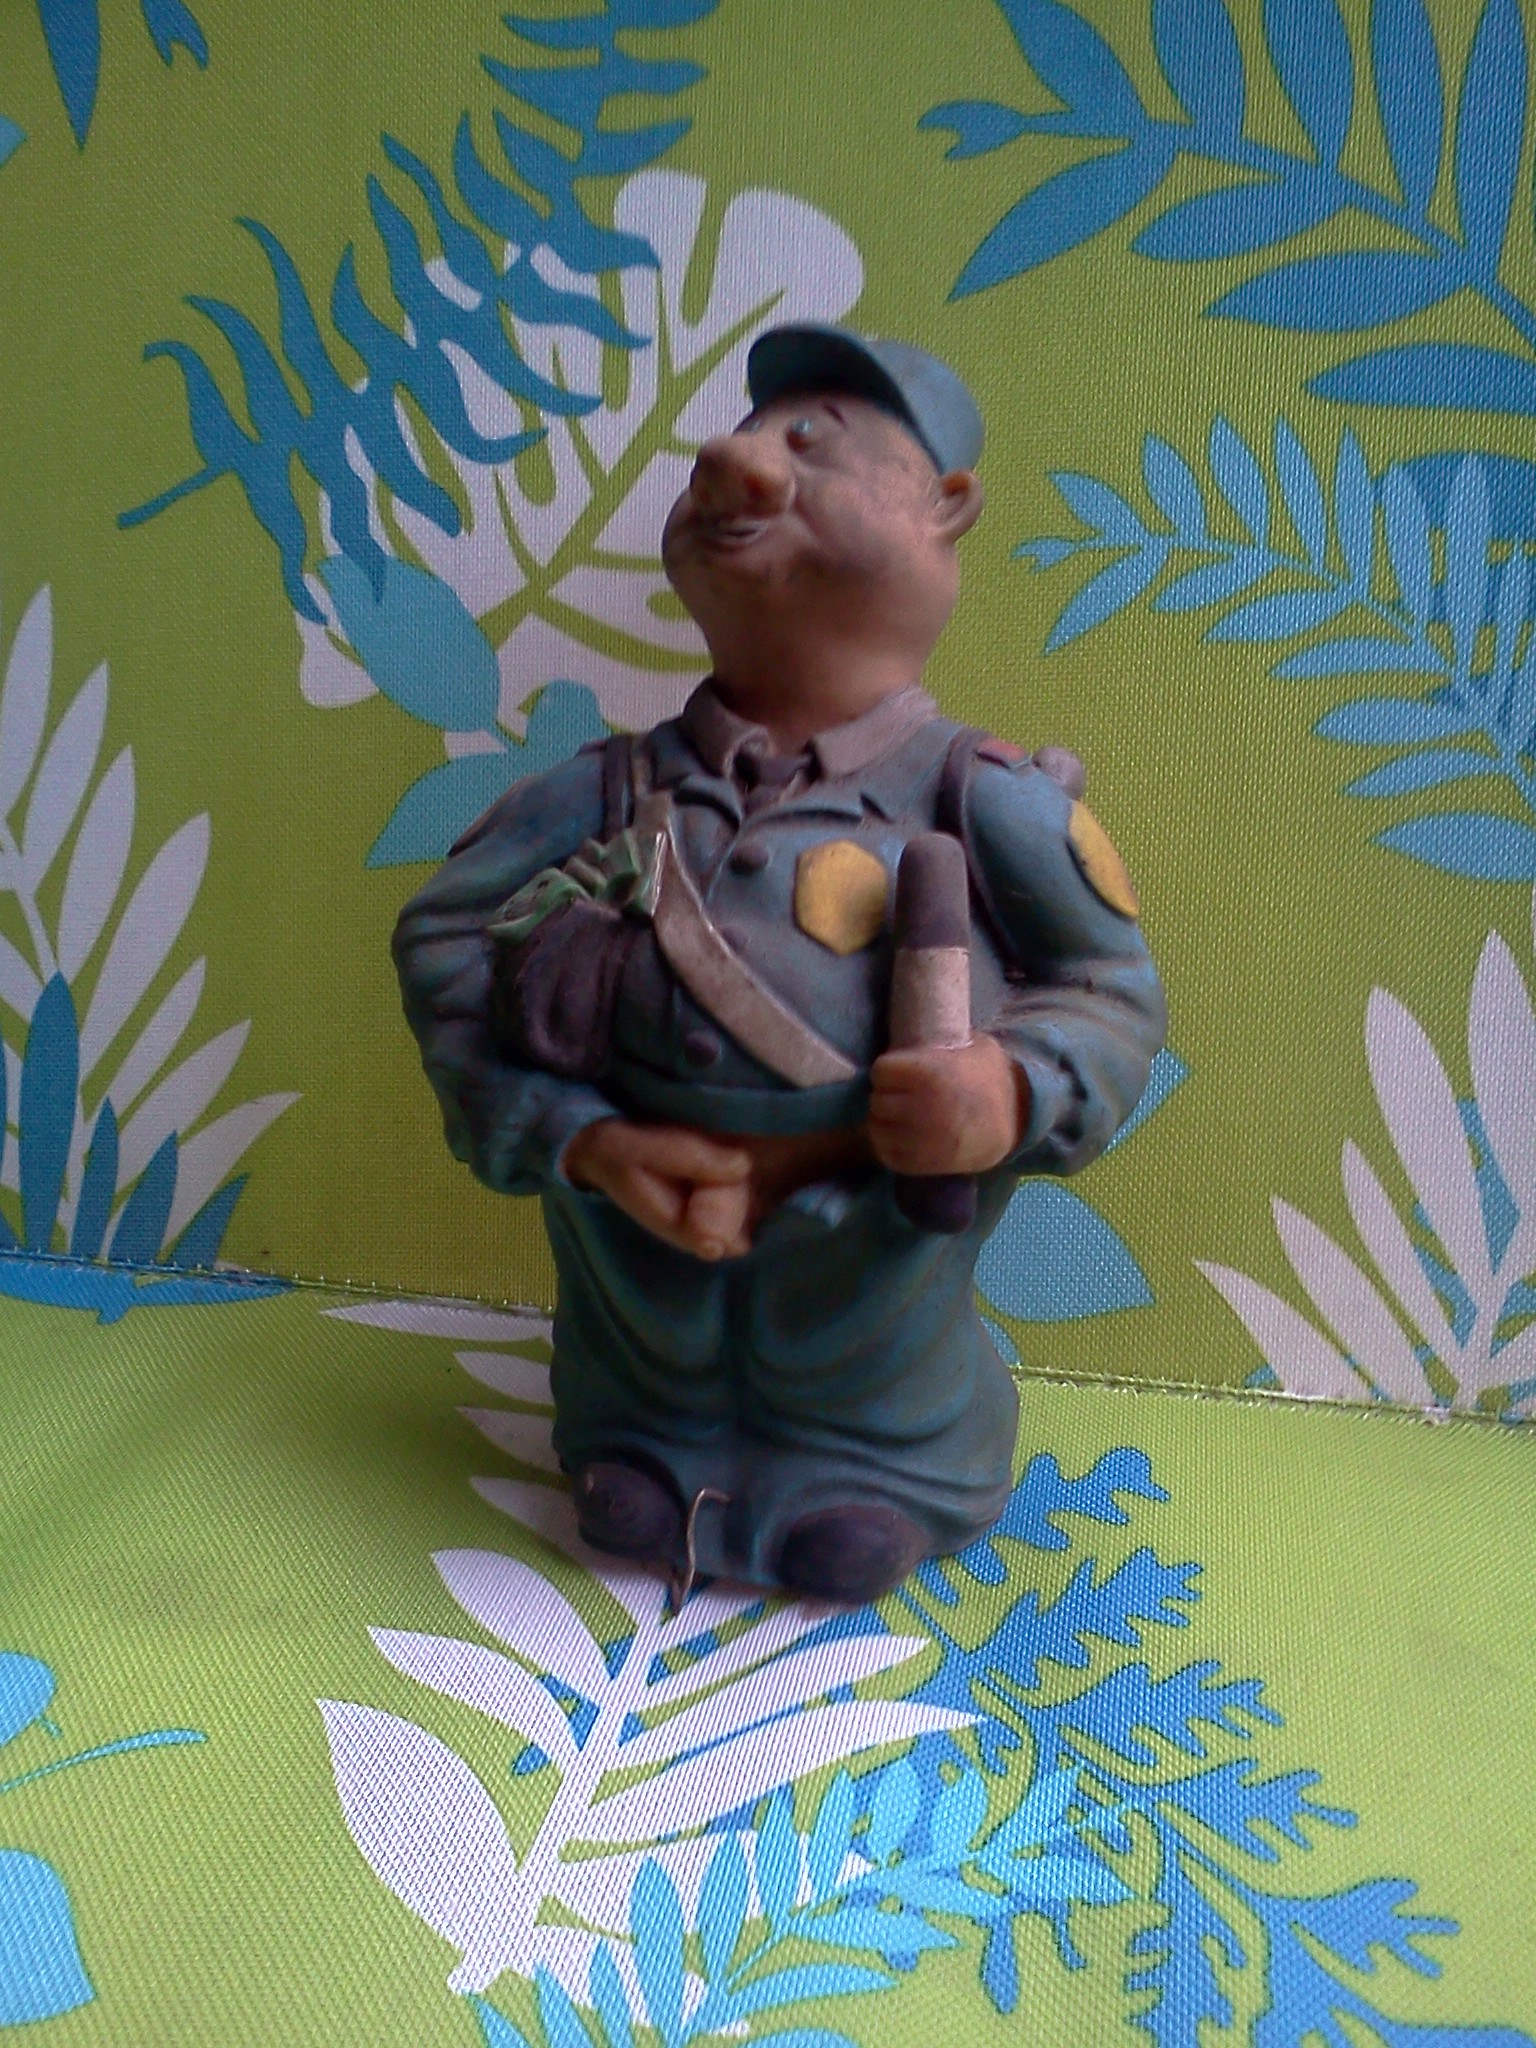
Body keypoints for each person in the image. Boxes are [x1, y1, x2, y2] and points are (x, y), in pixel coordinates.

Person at [393, 323, 1166, 1603]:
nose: (737, 461)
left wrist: (1006, 1087)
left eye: (813, 443)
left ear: (944, 508)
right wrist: (577, 1136)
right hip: (635, 1262)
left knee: (866, 1407)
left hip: (873, 1263)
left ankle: (866, 1479)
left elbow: (1111, 994)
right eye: (746, 436)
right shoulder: (608, 787)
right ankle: (652, 1449)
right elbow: (443, 938)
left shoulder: (986, 797)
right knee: (635, 1424)